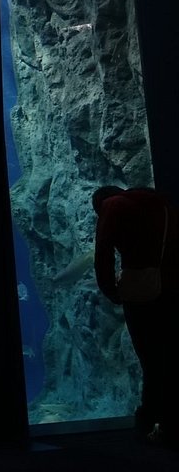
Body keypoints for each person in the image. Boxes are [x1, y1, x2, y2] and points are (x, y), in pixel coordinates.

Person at [92, 185, 178, 448]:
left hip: (144, 295)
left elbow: (103, 251)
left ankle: (152, 423)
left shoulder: (112, 205)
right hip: (172, 287)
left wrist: (111, 290)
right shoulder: (159, 201)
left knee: (151, 357)